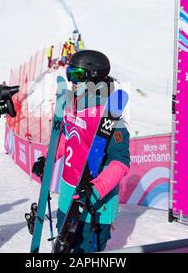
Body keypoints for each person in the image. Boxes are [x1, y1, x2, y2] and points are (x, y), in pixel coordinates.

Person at [34, 50, 130, 252]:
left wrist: (95, 191)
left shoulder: (110, 115)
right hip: (67, 196)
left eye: (78, 75)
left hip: (95, 205)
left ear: (94, 78)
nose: (72, 81)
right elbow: (67, 139)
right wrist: (47, 159)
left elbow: (120, 162)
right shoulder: (71, 104)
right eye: (70, 74)